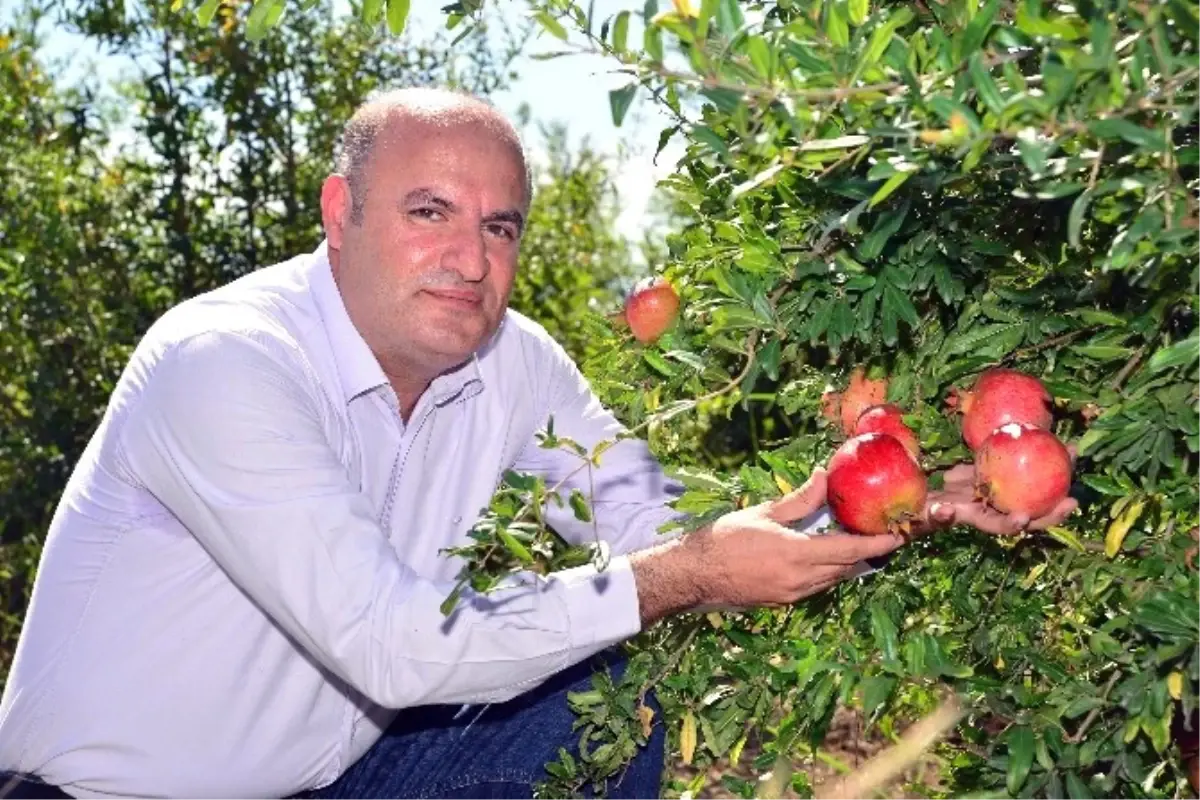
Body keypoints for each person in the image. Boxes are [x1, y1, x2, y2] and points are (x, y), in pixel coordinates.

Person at [0, 87, 1076, 800]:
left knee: (607, 698)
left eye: (500, 225)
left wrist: (887, 495)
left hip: (344, 777)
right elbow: (391, 642)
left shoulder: (513, 359)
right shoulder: (224, 362)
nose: (469, 256)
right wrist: (684, 574)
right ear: (341, 210)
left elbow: (658, 523)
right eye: (430, 212)